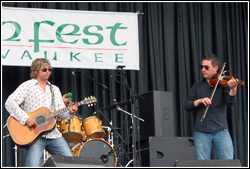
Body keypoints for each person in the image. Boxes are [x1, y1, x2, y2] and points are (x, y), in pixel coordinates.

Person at [5, 58, 78, 167]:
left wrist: (70, 111)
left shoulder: (55, 89)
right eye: (44, 69)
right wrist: (26, 118)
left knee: (70, 163)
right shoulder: (27, 86)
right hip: (34, 136)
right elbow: (9, 102)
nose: (48, 71)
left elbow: (61, 114)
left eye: (49, 69)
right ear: (36, 71)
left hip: (53, 135)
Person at [184, 53, 239, 160]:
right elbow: (187, 105)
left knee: (228, 163)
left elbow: (230, 103)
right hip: (201, 132)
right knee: (203, 164)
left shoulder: (223, 84)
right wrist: (200, 100)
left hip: (221, 130)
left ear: (216, 68)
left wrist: (233, 89)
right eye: (202, 67)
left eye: (206, 67)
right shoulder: (197, 86)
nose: (203, 70)